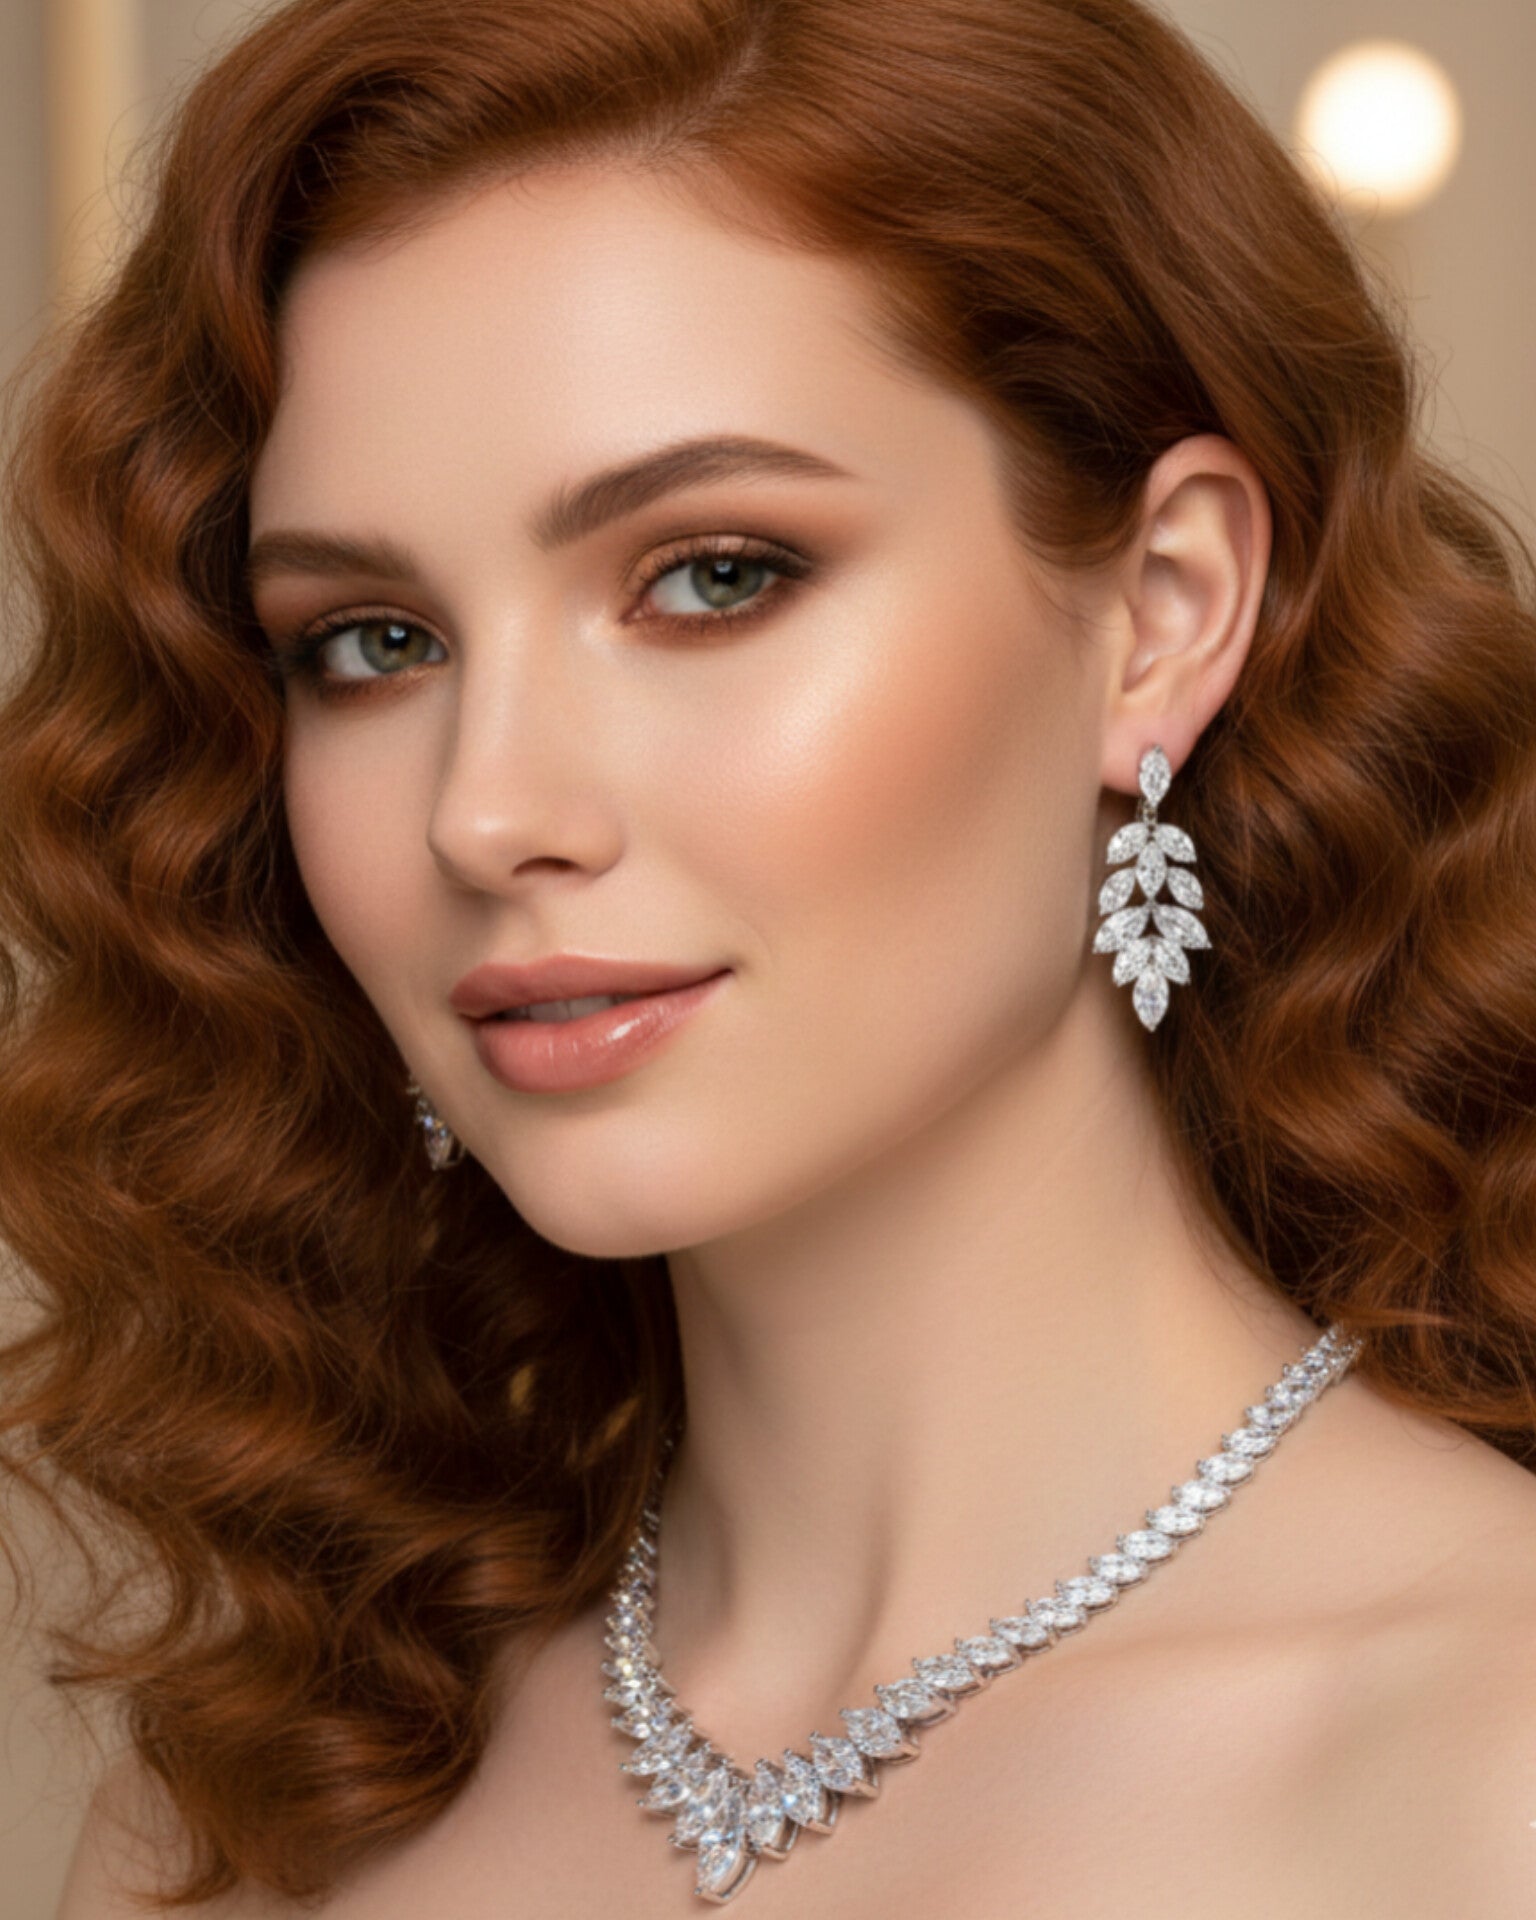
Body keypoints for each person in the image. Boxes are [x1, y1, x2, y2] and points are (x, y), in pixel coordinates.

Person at [2, 0, 1534, 1912]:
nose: (487, 812)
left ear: (1162, 610)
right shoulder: (245, 1822)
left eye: (714, 575)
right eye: (374, 641)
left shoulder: (1492, 1758)